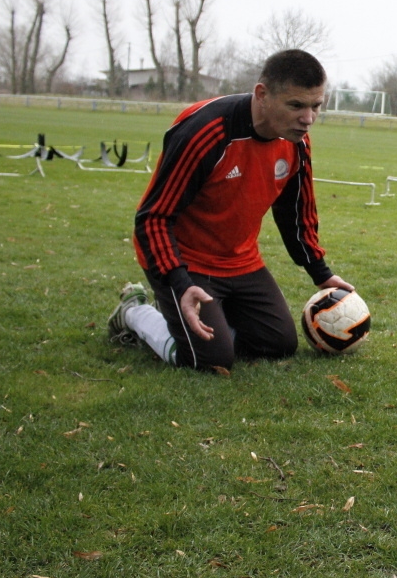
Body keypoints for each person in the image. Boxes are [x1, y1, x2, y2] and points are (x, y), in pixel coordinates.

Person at [107, 49, 354, 372]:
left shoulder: (297, 143)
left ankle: (197, 322)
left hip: (241, 261)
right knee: (210, 359)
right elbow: (153, 218)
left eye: (316, 106)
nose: (308, 118)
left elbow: (296, 213)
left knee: (277, 345)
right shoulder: (205, 132)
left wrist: (320, 273)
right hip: (184, 259)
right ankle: (134, 311)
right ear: (262, 95)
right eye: (296, 105)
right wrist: (179, 282)